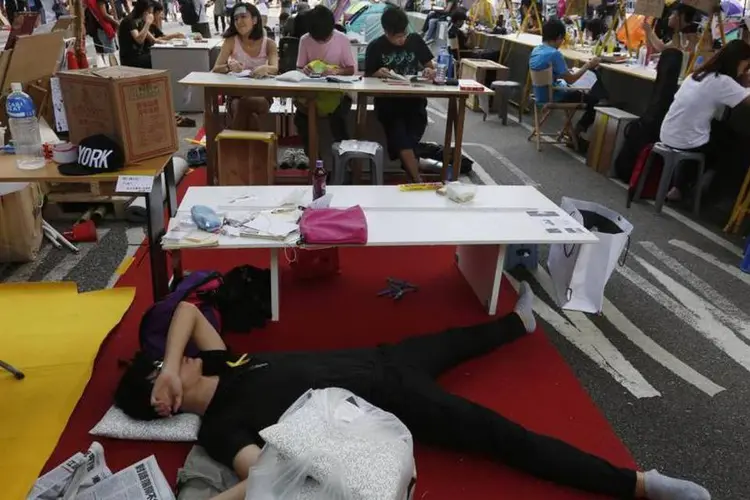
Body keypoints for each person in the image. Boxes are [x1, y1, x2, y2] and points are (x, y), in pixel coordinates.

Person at [114, 283, 711, 500]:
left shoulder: (220, 359)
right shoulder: (219, 428)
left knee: (451, 341)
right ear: (163, 400)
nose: (183, 359)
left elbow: (190, 312)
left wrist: (168, 362)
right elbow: (263, 473)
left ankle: (518, 324)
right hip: (392, 406)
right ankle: (637, 484)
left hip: (383, 360)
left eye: (175, 360)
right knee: (503, 436)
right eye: (167, 372)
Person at [659, 39, 750, 202]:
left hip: (667, 132)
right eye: (746, 66)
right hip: (686, 141)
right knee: (733, 143)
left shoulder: (698, 74)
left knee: (715, 130)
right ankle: (710, 194)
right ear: (740, 61)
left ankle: (678, 187)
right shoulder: (723, 82)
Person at [365, 7, 434, 183]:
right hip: (389, 103)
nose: (402, 39)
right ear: (386, 31)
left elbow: (429, 65)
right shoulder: (375, 47)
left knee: (411, 134)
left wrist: (428, 70)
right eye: (397, 36)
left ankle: (411, 168)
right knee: (399, 135)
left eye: (404, 34)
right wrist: (377, 73)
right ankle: (417, 179)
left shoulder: (415, 41)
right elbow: (367, 75)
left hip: (415, 101)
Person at [529, 18, 607, 145]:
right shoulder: (555, 54)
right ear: (559, 36)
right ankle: (576, 132)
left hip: (540, 93)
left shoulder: (536, 50)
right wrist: (588, 65)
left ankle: (570, 131)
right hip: (555, 95)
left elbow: (556, 73)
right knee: (594, 100)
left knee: (583, 88)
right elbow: (571, 79)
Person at [294, 5, 355, 159]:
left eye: (325, 38)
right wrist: (305, 69)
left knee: (338, 119)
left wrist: (337, 71)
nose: (321, 41)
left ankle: (344, 163)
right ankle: (315, 162)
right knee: (301, 119)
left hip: (338, 93)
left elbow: (350, 69)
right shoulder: (305, 40)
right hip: (312, 93)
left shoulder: (342, 39)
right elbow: (299, 67)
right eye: (317, 38)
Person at [212, 3, 278, 130]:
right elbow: (216, 68)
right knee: (251, 117)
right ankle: (254, 148)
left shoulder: (269, 43)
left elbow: (275, 69)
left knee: (245, 104)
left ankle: (232, 143)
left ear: (254, 20)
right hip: (236, 94)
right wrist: (229, 67)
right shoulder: (231, 41)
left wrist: (266, 69)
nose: (239, 21)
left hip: (262, 95)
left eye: (243, 16)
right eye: (236, 19)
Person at [118, 0, 158, 68]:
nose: (151, 15)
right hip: (130, 59)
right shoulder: (129, 21)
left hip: (141, 54)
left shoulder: (140, 20)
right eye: (149, 12)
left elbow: (153, 39)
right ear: (144, 11)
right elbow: (139, 40)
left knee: (160, 55)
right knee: (157, 60)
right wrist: (148, 23)